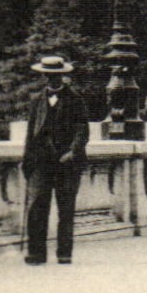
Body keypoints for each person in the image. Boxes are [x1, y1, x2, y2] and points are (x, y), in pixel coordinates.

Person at [21, 56, 90, 265]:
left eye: (56, 76)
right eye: (49, 76)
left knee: (66, 209)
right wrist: (27, 161)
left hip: (66, 163)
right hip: (41, 162)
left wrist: (73, 151)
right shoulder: (36, 100)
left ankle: (64, 253)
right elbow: (30, 134)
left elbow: (83, 130)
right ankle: (36, 253)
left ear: (62, 76)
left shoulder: (76, 99)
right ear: (44, 76)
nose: (52, 79)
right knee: (36, 208)